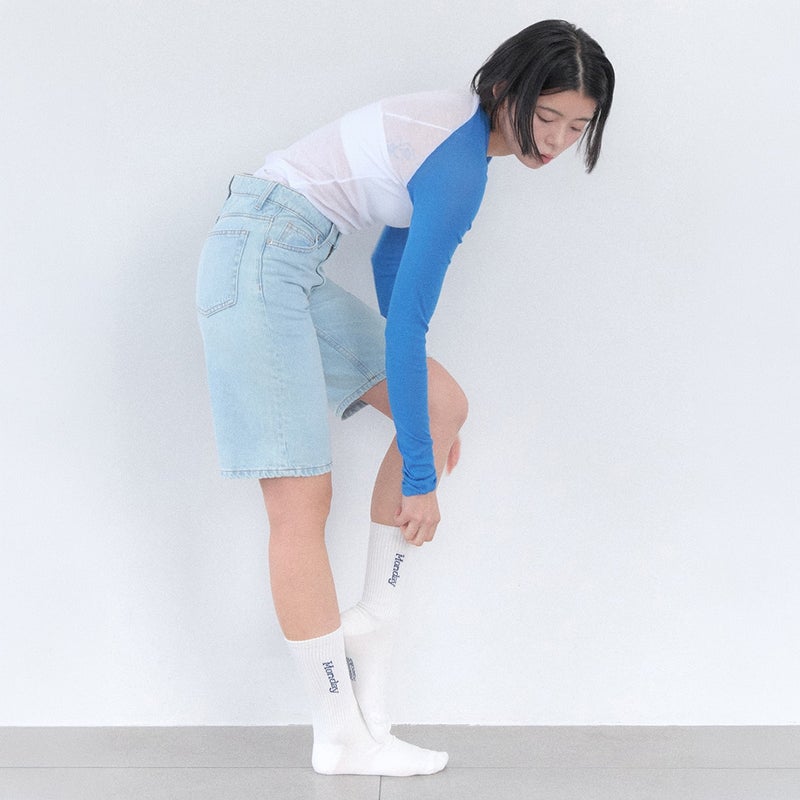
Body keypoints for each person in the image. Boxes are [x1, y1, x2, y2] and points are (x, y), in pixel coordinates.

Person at [196, 19, 614, 776]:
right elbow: (410, 322)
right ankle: (339, 734)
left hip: (281, 253)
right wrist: (420, 474)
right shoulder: (459, 166)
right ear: (504, 88)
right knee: (300, 503)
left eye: (576, 126)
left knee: (443, 403)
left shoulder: (458, 141)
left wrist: (422, 418)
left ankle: (370, 618)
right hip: (258, 257)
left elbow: (393, 264)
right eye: (546, 115)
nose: (554, 140)